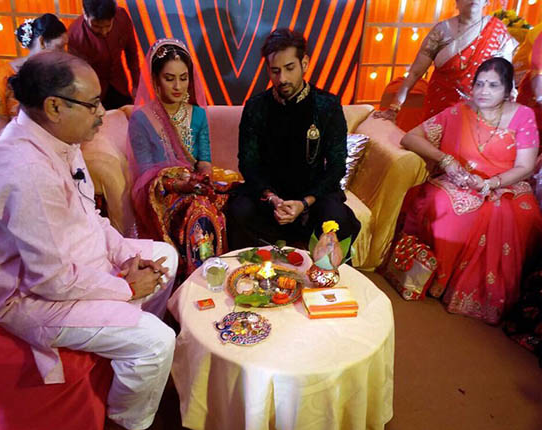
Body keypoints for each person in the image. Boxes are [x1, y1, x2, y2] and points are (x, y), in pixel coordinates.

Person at [0, 51, 177, 430]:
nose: (102, 113)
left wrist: (126, 258)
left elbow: (90, 217)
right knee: (157, 340)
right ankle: (124, 425)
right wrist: (126, 288)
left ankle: (125, 351)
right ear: (54, 107)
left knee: (164, 258)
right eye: (93, 103)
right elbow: (51, 280)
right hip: (32, 297)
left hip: (77, 267)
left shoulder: (60, 139)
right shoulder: (24, 170)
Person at [397, 57, 542, 325]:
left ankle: (480, 296)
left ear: (508, 90)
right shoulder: (457, 112)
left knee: (520, 217)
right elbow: (410, 137)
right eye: (479, 84)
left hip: (506, 184)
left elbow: (524, 166)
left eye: (493, 85)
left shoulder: (524, 116)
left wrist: (491, 184)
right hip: (459, 180)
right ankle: (436, 280)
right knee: (449, 208)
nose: (484, 91)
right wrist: (445, 160)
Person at [227, 28, 360, 250]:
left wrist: (304, 203)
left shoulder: (327, 106)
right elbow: (248, 163)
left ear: (304, 64)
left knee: (337, 219)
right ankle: (254, 267)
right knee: (239, 210)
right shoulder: (255, 107)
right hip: (270, 199)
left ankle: (319, 270)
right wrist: (272, 198)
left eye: (290, 68)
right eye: (275, 71)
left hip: (313, 197)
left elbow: (336, 166)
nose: (282, 79)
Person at [128, 38, 231, 276]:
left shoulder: (198, 115)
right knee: (198, 210)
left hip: (194, 185)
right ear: (155, 80)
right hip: (160, 193)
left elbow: (204, 160)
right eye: (169, 78)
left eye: (183, 78)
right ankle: (194, 279)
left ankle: (212, 274)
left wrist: (203, 179)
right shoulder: (142, 119)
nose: (178, 86)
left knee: (218, 201)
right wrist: (180, 185)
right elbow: (146, 174)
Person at [375, 0, 516, 124]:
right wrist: (394, 107)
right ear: (457, 2)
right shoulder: (442, 31)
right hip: (440, 105)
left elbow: (505, 75)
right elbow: (415, 73)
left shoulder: (497, 31)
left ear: (486, 2)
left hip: (479, 111)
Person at [0, 14, 67, 135]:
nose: (64, 53)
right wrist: (8, 143)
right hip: (15, 138)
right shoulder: (6, 72)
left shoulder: (62, 70)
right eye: (60, 47)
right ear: (42, 41)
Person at [68, 0, 139, 110]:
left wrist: (136, 84)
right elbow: (78, 75)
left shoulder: (122, 17)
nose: (104, 32)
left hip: (120, 84)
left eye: (108, 25)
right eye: (96, 26)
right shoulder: (74, 35)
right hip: (95, 93)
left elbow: (132, 53)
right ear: (85, 13)